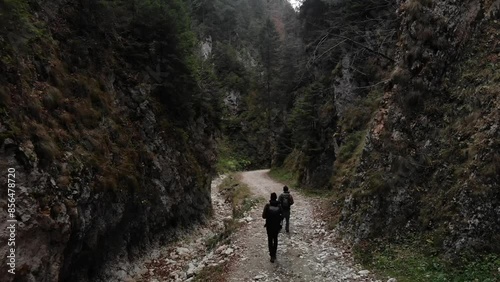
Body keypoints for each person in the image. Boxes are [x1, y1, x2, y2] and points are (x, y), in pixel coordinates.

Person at [262, 192, 283, 263]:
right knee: (275, 239)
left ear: (270, 198)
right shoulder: (279, 206)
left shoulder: (267, 206)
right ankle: (274, 253)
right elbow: (282, 216)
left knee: (270, 240)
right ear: (276, 197)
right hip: (276, 226)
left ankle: (271, 255)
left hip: (269, 225)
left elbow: (263, 216)